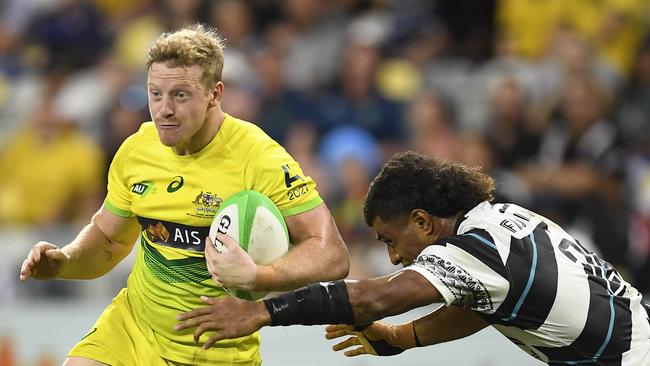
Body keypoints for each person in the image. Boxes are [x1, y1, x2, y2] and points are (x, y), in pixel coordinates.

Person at [19, 24, 349, 366]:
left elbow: (332, 255)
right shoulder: (137, 151)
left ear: (215, 94)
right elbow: (109, 239)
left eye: (180, 95)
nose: (164, 109)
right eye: (155, 94)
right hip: (133, 328)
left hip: (212, 347)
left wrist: (260, 277)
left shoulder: (259, 159)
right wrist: (65, 261)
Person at [175, 151, 650, 365]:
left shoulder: (477, 250)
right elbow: (482, 306)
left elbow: (376, 299)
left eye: (389, 240)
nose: (396, 257)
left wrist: (261, 310)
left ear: (423, 222)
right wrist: (404, 339)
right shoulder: (504, 217)